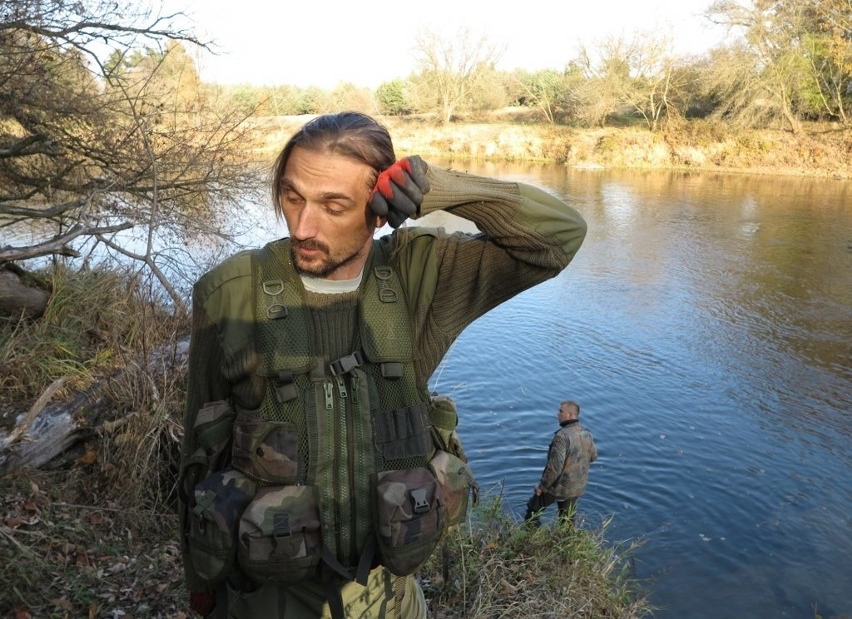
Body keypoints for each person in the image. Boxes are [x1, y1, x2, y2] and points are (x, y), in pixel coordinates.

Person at [178, 111, 587, 619]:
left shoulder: (422, 276)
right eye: (292, 197)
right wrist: (200, 581)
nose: (304, 225)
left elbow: (560, 237)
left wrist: (444, 187)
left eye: (334, 206)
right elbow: (198, 451)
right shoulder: (230, 291)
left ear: (378, 210)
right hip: (267, 601)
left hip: (391, 599)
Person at [524, 400, 597, 526]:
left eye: (560, 411)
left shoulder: (562, 437)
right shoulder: (587, 434)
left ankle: (529, 538)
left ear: (569, 415)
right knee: (567, 519)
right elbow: (593, 456)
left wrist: (542, 487)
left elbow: (554, 468)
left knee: (533, 511)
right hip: (577, 486)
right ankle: (567, 541)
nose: (557, 414)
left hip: (559, 486)